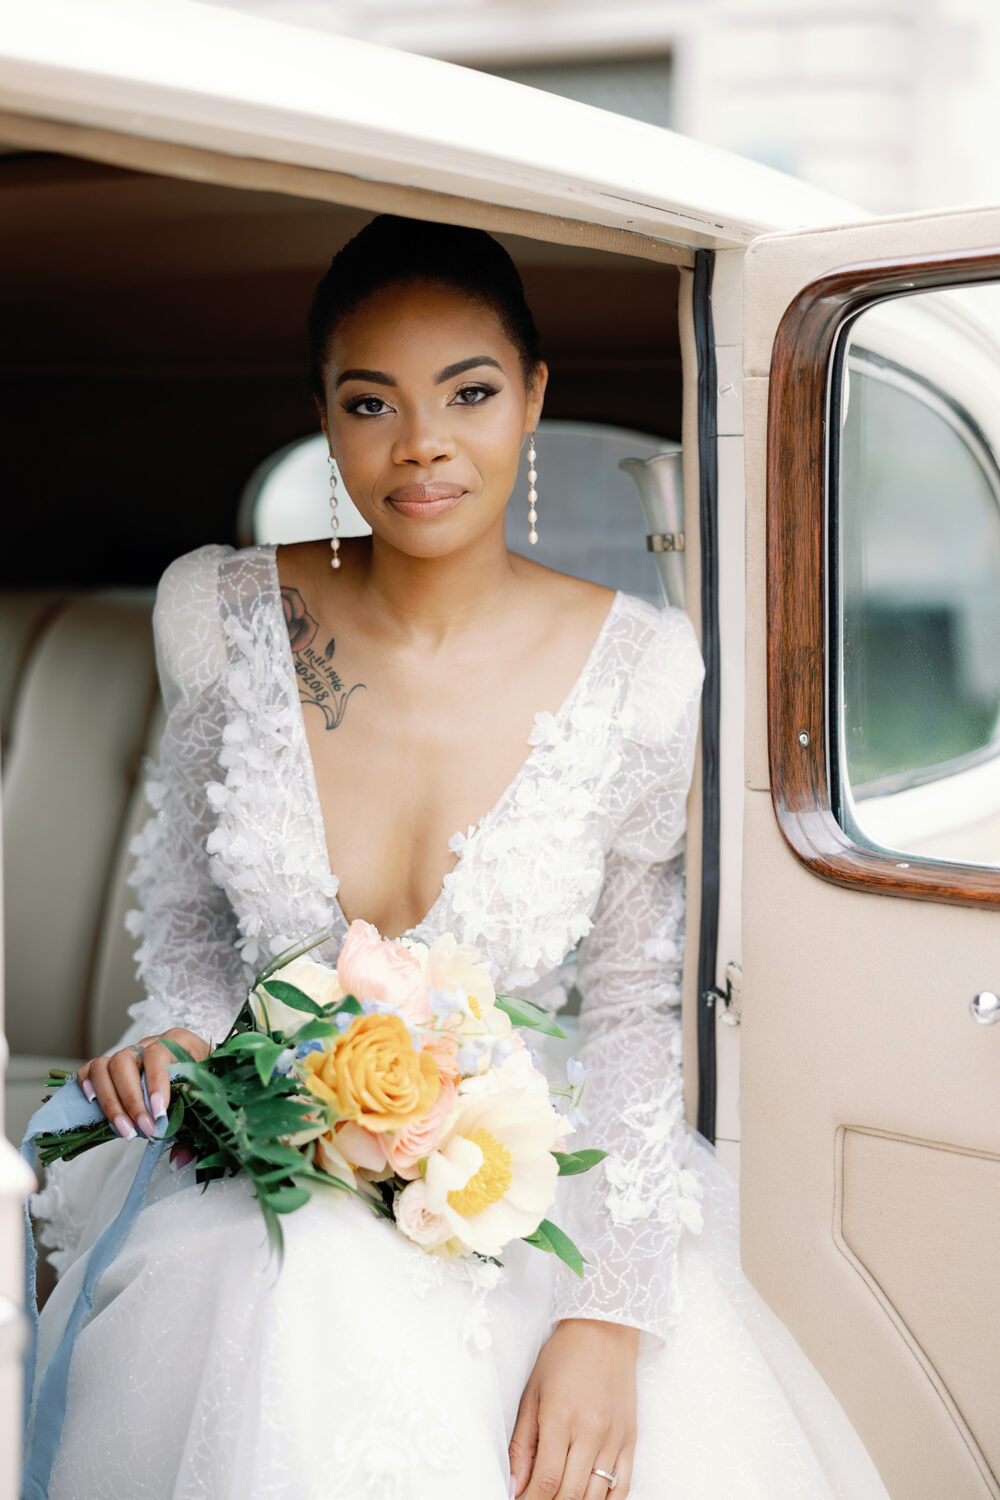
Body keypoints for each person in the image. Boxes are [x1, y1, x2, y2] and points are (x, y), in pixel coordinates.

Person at [27, 216, 889, 1500]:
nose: (421, 444)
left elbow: (637, 1016)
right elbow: (197, 936)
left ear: (532, 397)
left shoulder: (644, 672)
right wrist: (187, 1041)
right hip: (255, 1175)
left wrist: (609, 1315)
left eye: (468, 393)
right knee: (276, 1293)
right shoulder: (217, 616)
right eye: (369, 401)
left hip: (517, 1180)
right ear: (321, 414)